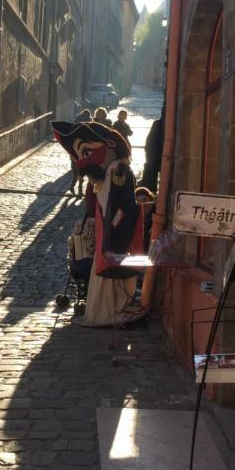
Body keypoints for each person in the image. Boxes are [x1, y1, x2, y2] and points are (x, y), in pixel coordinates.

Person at [52, 119, 147, 328]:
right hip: (109, 234)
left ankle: (108, 312)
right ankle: (103, 311)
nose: (82, 162)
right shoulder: (111, 171)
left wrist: (112, 235)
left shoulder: (117, 169)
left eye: (86, 153)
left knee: (111, 277)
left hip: (116, 237)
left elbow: (121, 207)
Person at [140, 106, 165, 193]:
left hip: (155, 158)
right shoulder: (158, 124)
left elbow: (149, 142)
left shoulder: (157, 124)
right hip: (154, 158)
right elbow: (150, 143)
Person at [69, 109, 92, 196]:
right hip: (83, 157)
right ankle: (80, 190)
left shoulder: (74, 133)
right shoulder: (88, 135)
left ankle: (73, 186)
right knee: (82, 173)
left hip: (76, 156)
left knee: (76, 173)